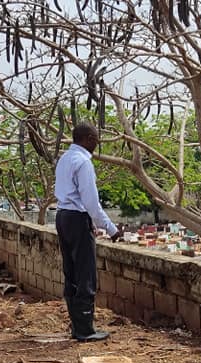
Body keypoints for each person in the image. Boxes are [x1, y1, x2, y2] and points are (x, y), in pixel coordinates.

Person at [55, 122, 121, 341]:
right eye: (96, 139)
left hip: (63, 216)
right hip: (77, 218)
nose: (97, 143)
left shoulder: (65, 158)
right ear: (89, 138)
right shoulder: (83, 162)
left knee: (71, 272)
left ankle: (78, 326)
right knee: (86, 274)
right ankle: (84, 329)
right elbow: (91, 203)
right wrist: (111, 229)